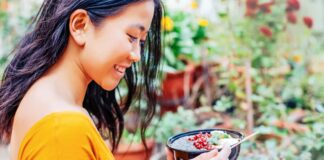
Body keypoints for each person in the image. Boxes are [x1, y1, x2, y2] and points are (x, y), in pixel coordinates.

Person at [0, 0, 231, 159]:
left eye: (141, 42)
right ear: (80, 25)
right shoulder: (62, 129)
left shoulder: (44, 96)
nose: (137, 56)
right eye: (131, 36)